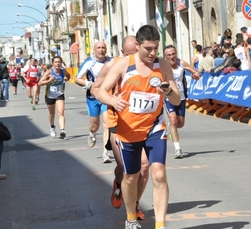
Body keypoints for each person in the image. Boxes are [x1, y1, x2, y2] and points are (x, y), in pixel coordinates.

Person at [95, 25, 181, 229]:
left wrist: (168, 92)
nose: (152, 53)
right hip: (128, 129)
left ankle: (160, 225)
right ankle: (131, 218)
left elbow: (176, 99)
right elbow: (101, 91)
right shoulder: (124, 65)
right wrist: (113, 101)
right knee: (131, 176)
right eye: (148, 49)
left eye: (155, 48)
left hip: (154, 126)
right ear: (137, 45)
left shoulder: (163, 66)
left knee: (158, 173)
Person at [92, 35, 149, 219]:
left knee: (145, 166)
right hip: (118, 123)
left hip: (142, 122)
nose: (134, 57)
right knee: (126, 168)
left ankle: (135, 204)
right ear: (123, 52)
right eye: (130, 53)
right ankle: (118, 182)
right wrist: (111, 100)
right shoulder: (112, 65)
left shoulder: (148, 64)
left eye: (136, 53)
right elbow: (95, 88)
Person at [75, 41, 112, 163]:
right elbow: (77, 79)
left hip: (107, 96)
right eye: (99, 48)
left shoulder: (111, 62)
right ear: (94, 50)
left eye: (103, 48)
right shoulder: (89, 62)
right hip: (93, 96)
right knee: (95, 125)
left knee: (107, 124)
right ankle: (92, 133)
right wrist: (89, 84)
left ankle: (105, 152)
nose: (101, 50)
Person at [164, 45, 200, 158]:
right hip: (168, 96)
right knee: (173, 120)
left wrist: (196, 75)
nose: (171, 57)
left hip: (181, 97)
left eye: (173, 54)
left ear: (176, 54)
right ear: (166, 56)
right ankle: (177, 149)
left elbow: (195, 72)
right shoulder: (163, 66)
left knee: (180, 124)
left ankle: (172, 128)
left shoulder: (182, 63)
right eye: (168, 55)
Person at [38, 56, 70, 139]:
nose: (57, 63)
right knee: (52, 113)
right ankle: (52, 127)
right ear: (53, 63)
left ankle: (62, 130)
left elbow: (68, 76)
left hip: (59, 94)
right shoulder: (49, 72)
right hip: (50, 95)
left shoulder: (63, 71)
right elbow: (40, 83)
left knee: (61, 112)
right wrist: (49, 80)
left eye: (59, 62)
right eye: (55, 62)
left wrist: (67, 78)